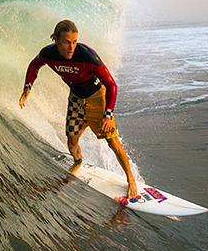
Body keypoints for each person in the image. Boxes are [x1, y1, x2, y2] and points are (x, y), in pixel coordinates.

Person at [19, 20, 138, 199]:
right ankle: (78, 162)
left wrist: (108, 114)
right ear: (56, 39)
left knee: (112, 142)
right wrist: (28, 86)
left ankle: (131, 180)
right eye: (67, 42)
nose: (71, 47)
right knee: (72, 143)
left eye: (74, 42)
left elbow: (111, 84)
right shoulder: (48, 54)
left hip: (98, 99)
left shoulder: (88, 57)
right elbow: (34, 65)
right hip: (76, 99)